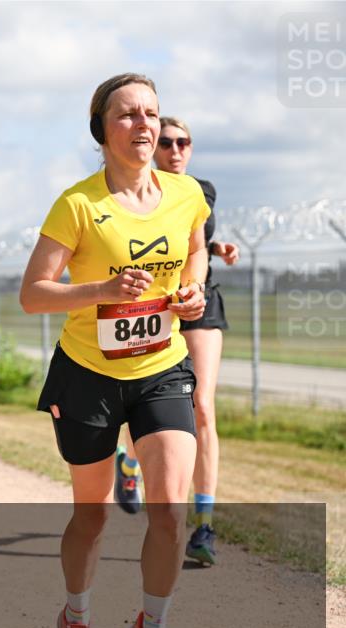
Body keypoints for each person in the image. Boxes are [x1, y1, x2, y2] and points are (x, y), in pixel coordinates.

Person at [20, 73, 209, 628]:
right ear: (101, 130)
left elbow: (195, 249)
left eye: (151, 113)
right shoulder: (79, 204)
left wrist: (192, 289)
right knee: (93, 512)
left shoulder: (186, 195)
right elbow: (32, 294)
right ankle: (76, 620)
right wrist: (100, 288)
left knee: (170, 508)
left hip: (162, 365)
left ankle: (152, 627)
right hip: (88, 372)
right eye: (127, 114)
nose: (144, 124)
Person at [131, 116, 236, 566]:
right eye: (168, 142)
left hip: (199, 302)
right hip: (152, 307)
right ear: (153, 148)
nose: (176, 150)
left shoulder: (201, 190)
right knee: (137, 396)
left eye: (184, 142)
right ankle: (127, 457)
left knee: (203, 405)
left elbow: (190, 241)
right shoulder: (131, 196)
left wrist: (217, 250)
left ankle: (205, 524)